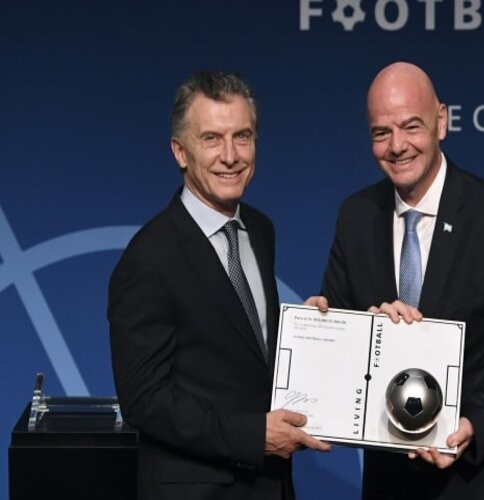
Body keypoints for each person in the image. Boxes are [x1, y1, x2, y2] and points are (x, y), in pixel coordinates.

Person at [306, 62, 484, 499]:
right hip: (392, 480)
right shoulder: (356, 217)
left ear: (442, 121)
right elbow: (342, 337)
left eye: (411, 126)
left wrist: (471, 425)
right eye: (381, 133)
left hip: (483, 475)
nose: (397, 146)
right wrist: (329, 328)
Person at [109, 70, 330, 500]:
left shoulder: (260, 229)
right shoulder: (148, 258)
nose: (230, 156)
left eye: (242, 137)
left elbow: (240, 350)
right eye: (211, 138)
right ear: (180, 152)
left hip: (271, 485)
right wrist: (252, 437)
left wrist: (308, 336)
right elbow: (145, 400)